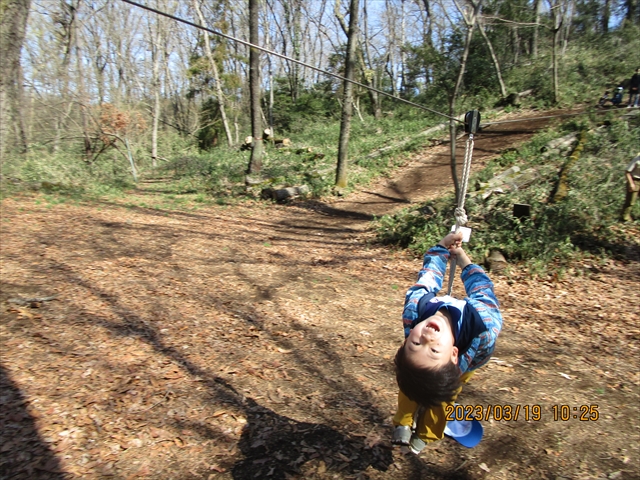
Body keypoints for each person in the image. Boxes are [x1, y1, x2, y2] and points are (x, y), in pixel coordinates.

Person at [391, 231, 503, 454]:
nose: (425, 338)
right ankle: (403, 422)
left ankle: (426, 433)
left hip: (469, 361)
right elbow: (481, 288)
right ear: (451, 354)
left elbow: (428, 277)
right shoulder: (483, 321)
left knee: (436, 394)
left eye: (414, 343)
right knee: (414, 384)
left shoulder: (415, 310)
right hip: (460, 358)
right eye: (432, 348)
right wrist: (464, 260)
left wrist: (441, 249)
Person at [621, 154, 640, 222]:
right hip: (635, 180)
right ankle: (624, 219)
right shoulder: (637, 159)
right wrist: (631, 183)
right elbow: (627, 172)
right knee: (630, 201)